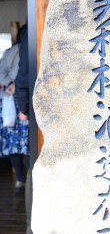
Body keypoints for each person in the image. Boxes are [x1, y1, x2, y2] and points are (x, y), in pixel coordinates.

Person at [0, 24, 30, 189]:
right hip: (15, 102)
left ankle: (22, 179)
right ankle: (26, 178)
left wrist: (9, 83)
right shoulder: (18, 51)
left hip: (12, 101)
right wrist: (12, 83)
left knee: (15, 143)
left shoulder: (10, 52)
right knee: (24, 143)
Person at [14, 23, 33, 234]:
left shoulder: (31, 31)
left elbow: (23, 77)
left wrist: (24, 108)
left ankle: (32, 224)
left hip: (37, 107)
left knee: (35, 165)